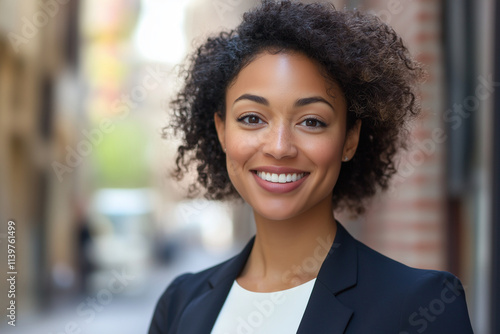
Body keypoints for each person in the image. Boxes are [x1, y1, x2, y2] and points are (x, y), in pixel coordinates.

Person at [149, 1, 473, 333]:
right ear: (221, 130)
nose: (278, 147)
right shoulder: (179, 303)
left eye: (312, 122)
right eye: (251, 118)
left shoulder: (419, 305)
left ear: (349, 139)